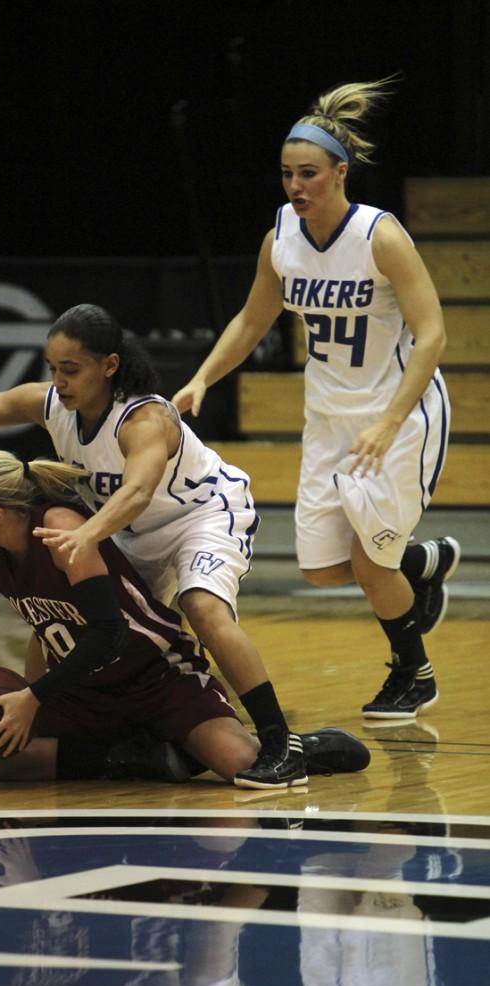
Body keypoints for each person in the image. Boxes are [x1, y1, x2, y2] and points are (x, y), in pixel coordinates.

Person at [0, 305, 309, 788]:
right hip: (131, 527)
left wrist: (88, 534)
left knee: (202, 608)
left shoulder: (144, 418)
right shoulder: (51, 403)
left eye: (71, 370)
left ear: (109, 365)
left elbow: (137, 491)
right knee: (63, 618)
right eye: (53, 369)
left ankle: (278, 742)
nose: (60, 381)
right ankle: (56, 714)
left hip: (200, 514)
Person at [171, 78, 460, 721]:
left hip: (400, 412)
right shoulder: (282, 239)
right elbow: (251, 321)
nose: (295, 186)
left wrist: (388, 422)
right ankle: (420, 562)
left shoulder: (380, 237)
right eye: (286, 175)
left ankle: (414, 675)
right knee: (326, 571)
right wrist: (202, 378)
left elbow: (435, 332)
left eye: (308, 174)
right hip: (329, 416)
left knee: (366, 561)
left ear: (340, 173)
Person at [0, 448, 369, 788]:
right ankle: (129, 755)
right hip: (82, 689)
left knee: (241, 765)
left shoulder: (61, 529)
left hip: (154, 676)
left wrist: (33, 696)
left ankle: (302, 747)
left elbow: (109, 634)